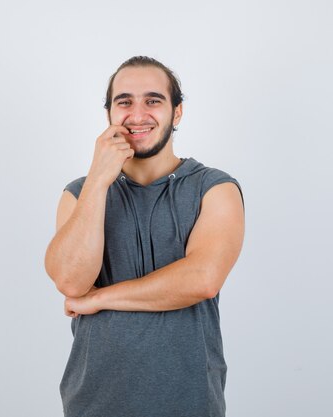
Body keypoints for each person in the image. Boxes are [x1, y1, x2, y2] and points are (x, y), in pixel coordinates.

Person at [44, 56, 245, 417]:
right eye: (124, 102)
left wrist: (99, 299)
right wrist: (98, 179)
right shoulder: (79, 193)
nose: (137, 114)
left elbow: (201, 280)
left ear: (177, 112)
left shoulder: (214, 188)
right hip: (92, 404)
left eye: (153, 100)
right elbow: (71, 280)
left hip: (190, 403)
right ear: (109, 114)